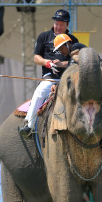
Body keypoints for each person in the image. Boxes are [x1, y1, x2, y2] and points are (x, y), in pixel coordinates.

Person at [19, 9, 79, 138]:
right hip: (50, 78)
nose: (57, 27)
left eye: (61, 24)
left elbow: (75, 60)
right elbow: (36, 58)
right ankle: (29, 125)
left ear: (67, 25)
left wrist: (62, 64)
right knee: (40, 91)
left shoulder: (73, 40)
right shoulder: (44, 37)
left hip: (68, 78)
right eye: (56, 24)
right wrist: (48, 63)